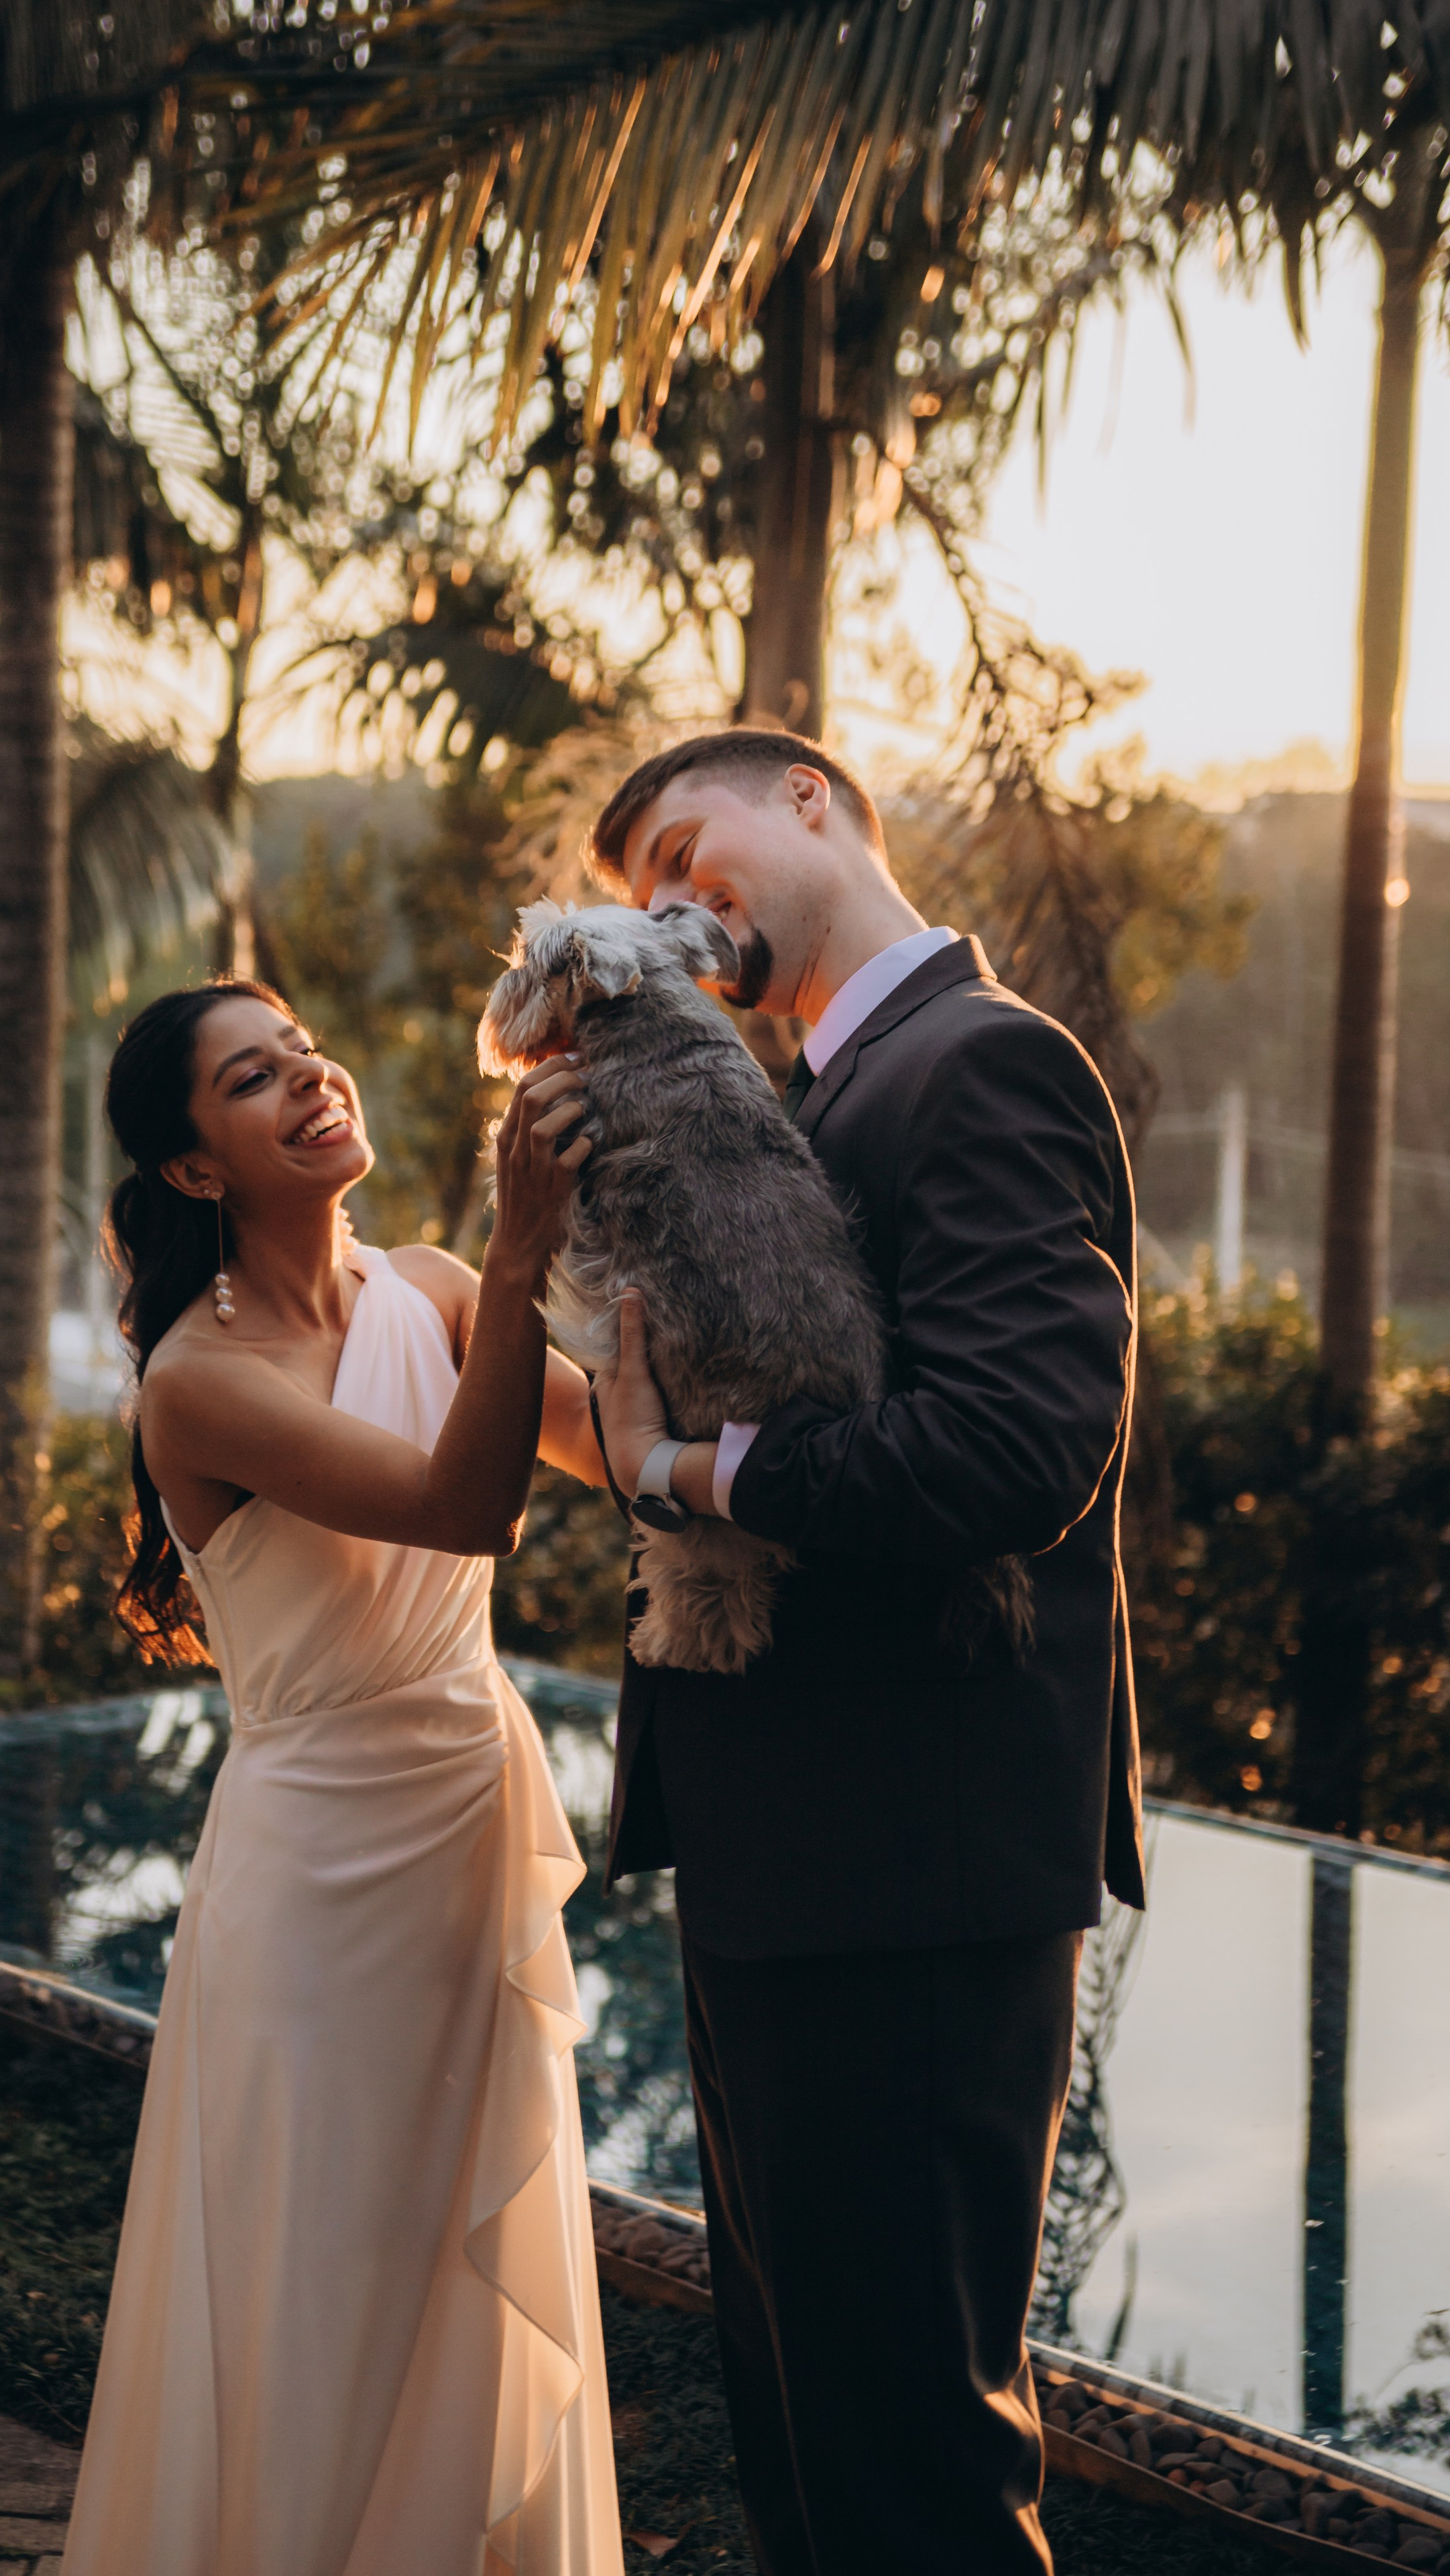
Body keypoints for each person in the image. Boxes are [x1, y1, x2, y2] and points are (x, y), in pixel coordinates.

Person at [588, 730, 1146, 2575]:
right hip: (801, 1869)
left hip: (911, 1871)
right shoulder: (808, 1101)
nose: (670, 907)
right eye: (638, 896)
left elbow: (1015, 1451)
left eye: (686, 848)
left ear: (811, 799)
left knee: (913, 2465)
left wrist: (682, 1467)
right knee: (812, 2434)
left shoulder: (978, 1061)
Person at [61, 978, 624, 2576]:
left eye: (306, 1047)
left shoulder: (434, 1288)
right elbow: (467, 1505)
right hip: (316, 1885)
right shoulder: (197, 1378)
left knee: (471, 2282)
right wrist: (518, 1255)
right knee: (325, 2284)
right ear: (195, 1169)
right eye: (254, 1079)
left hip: (472, 1833)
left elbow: (631, 1446)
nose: (311, 1079)